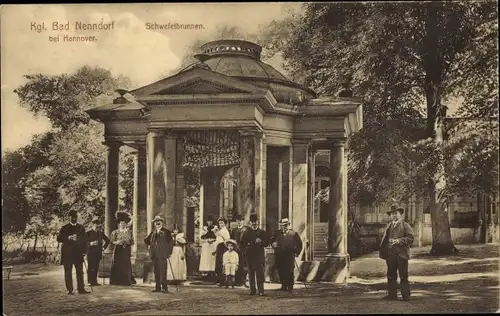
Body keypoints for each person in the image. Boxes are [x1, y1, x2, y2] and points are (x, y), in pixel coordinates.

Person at [379, 207, 414, 301]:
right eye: (392, 213)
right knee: (391, 275)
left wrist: (398, 241)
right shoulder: (389, 226)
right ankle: (392, 295)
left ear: (400, 214)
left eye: (396, 213)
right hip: (390, 255)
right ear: (390, 215)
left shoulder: (405, 225)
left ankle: (405, 295)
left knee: (403, 275)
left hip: (402, 254)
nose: (394, 215)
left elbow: (410, 238)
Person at [57, 209, 90, 295]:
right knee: (68, 272)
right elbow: (59, 239)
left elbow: (85, 240)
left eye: (75, 217)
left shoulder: (81, 228)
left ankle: (81, 289)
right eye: (72, 217)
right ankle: (69, 289)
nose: (74, 219)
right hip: (67, 254)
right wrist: (68, 238)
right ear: (69, 218)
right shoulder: (64, 228)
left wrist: (84, 252)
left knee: (80, 271)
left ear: (77, 217)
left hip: (78, 254)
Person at [240, 214, 269, 296]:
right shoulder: (246, 233)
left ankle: (261, 291)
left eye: (255, 222)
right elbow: (241, 244)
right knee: (251, 274)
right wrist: (245, 252)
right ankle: (252, 290)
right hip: (250, 256)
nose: (254, 223)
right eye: (252, 222)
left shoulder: (262, 232)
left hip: (259, 256)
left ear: (258, 222)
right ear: (250, 222)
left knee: (260, 274)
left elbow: (267, 243)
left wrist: (261, 242)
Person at [272, 218, 302, 293]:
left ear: (289, 225)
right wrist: (273, 244)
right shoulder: (277, 233)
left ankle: (290, 286)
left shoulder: (294, 234)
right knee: (281, 270)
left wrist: (296, 253)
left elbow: (299, 244)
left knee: (290, 271)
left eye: (286, 225)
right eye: (282, 225)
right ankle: (283, 285)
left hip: (289, 255)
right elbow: (272, 241)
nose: (284, 227)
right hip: (280, 255)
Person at [144, 215, 174, 293]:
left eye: (159, 221)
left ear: (162, 222)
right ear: (154, 223)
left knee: (163, 271)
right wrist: (151, 243)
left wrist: (169, 252)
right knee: (156, 272)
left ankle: (165, 288)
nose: (158, 223)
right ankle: (158, 288)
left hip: (163, 255)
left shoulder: (166, 232)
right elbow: (146, 241)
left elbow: (171, 243)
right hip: (155, 255)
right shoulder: (153, 233)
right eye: (156, 222)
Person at [109, 211, 136, 286]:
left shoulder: (129, 232)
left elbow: (132, 242)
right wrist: (117, 242)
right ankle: (116, 281)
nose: (122, 225)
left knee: (125, 265)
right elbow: (112, 241)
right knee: (117, 264)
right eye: (121, 224)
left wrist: (132, 251)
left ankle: (126, 281)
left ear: (125, 224)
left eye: (124, 224)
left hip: (126, 250)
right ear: (119, 224)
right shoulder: (115, 232)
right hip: (118, 250)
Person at [85, 216, 110, 286]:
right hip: (90, 252)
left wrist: (103, 248)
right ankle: (90, 281)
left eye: (98, 224)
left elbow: (108, 240)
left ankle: (95, 281)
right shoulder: (88, 233)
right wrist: (90, 243)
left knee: (96, 267)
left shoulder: (100, 233)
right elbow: (84, 242)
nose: (97, 225)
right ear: (92, 224)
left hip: (98, 252)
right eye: (95, 224)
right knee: (90, 267)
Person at [231, 214, 248, 287]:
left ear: (243, 221)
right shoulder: (234, 230)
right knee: (236, 265)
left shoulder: (247, 230)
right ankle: (237, 281)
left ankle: (244, 281)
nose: (239, 222)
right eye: (237, 221)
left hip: (244, 250)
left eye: (240, 221)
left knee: (243, 266)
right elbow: (232, 240)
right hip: (236, 250)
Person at [199, 215, 217, 280]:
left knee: (212, 258)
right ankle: (205, 274)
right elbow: (202, 237)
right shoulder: (204, 228)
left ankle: (212, 273)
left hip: (213, 244)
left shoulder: (215, 228)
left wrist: (213, 240)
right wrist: (206, 240)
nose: (210, 223)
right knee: (206, 258)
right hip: (206, 244)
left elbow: (217, 236)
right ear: (207, 222)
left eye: (211, 221)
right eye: (209, 221)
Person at [214, 217, 231, 286]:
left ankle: (223, 281)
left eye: (222, 223)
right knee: (218, 264)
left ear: (225, 223)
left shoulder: (225, 231)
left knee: (222, 263)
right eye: (220, 223)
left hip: (223, 247)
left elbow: (227, 240)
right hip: (219, 246)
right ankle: (220, 280)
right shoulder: (220, 230)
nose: (221, 224)